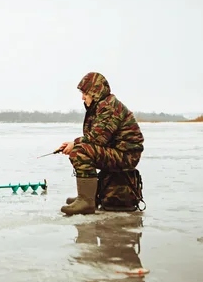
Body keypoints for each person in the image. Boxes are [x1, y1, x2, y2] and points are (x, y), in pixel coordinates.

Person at [59, 72, 144, 215]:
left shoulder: (109, 106)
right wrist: (74, 143)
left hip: (126, 155)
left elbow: (98, 138)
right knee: (81, 148)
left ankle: (86, 201)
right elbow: (95, 137)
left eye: (85, 93)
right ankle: (89, 196)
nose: (82, 97)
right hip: (119, 151)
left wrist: (75, 144)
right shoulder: (102, 105)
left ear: (94, 92)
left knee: (80, 151)